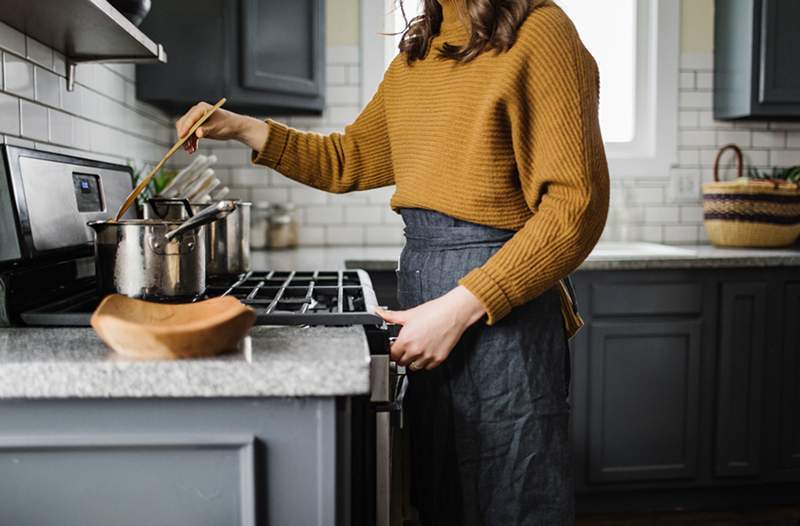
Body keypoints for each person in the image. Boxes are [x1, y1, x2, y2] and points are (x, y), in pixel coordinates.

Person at [176, 0, 609, 523]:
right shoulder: (417, 55)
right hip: (425, 284)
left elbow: (574, 207)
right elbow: (347, 160)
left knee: (515, 496)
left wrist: (457, 309)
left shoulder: (542, 32)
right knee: (442, 490)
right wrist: (244, 127)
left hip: (501, 303)